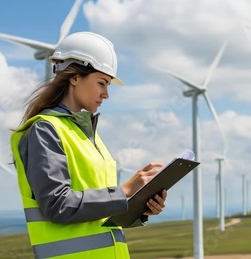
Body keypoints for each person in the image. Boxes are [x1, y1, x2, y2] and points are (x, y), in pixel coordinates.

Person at [10, 32, 167, 259]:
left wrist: (138, 205)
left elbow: (100, 215)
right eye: (102, 83)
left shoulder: (88, 135)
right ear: (74, 78)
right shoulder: (45, 130)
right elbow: (57, 204)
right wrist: (124, 192)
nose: (106, 94)